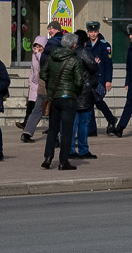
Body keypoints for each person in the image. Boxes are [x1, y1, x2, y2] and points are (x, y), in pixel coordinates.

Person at [39, 29, 86, 170]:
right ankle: (63, 161)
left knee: (52, 129)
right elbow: (79, 82)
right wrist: (73, 91)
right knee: (66, 130)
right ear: (73, 46)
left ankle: (48, 158)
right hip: (68, 97)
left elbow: (43, 73)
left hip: (53, 97)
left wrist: (52, 84)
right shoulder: (75, 60)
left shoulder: (52, 56)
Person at [83, 21, 116, 136]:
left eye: (95, 31)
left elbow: (108, 65)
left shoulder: (104, 45)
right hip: (88, 79)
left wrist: (108, 81)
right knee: (93, 101)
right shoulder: (85, 44)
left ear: (98, 32)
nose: (93, 34)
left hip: (100, 79)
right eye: (91, 32)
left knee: (95, 100)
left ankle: (97, 126)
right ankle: (109, 119)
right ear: (88, 32)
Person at [71, 30, 99, 159]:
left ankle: (70, 149)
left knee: (72, 123)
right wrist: (96, 64)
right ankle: (83, 149)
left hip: (72, 91)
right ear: (84, 41)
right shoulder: (84, 51)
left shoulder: (70, 52)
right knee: (84, 123)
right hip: (84, 91)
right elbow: (92, 66)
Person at [19, 35, 48, 141]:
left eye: (40, 46)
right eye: (36, 46)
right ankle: (27, 132)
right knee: (37, 109)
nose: (38, 49)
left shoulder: (42, 56)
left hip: (43, 85)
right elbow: (32, 70)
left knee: (40, 110)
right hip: (40, 85)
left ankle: (27, 132)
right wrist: (30, 83)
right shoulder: (35, 56)